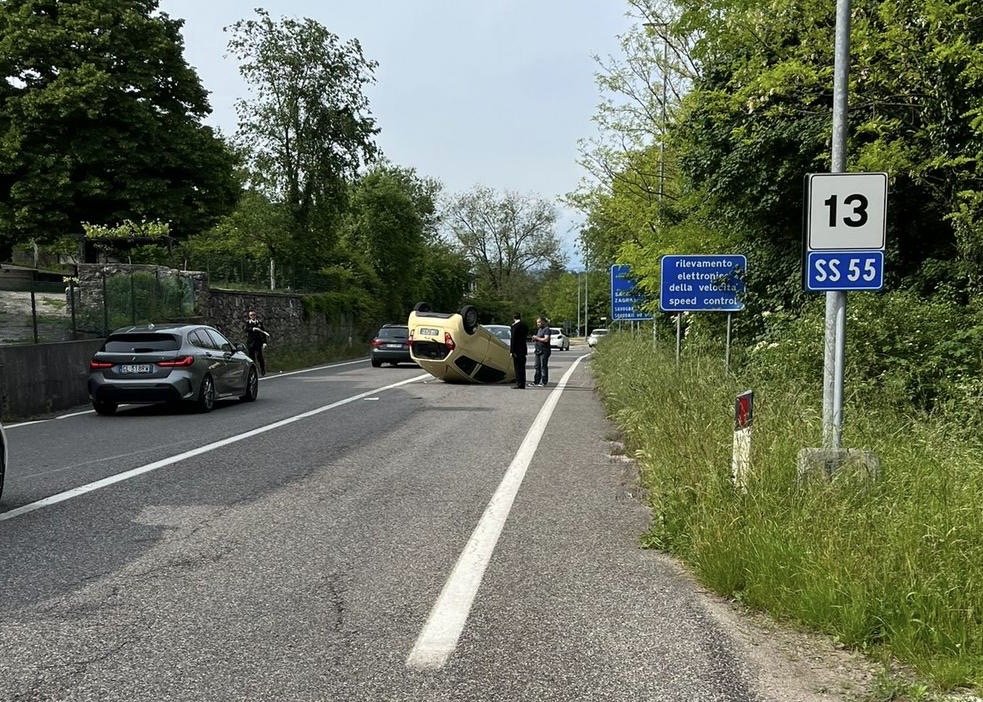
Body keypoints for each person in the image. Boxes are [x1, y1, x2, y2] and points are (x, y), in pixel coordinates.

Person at [245, 310, 269, 376]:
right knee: (252, 358)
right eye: (251, 315)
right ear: (249, 316)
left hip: (258, 343)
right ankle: (254, 372)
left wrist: (264, 342)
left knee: (259, 357)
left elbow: (263, 333)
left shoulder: (259, 323)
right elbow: (246, 329)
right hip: (250, 343)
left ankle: (262, 370)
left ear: (255, 315)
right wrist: (253, 329)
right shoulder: (248, 323)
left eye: (253, 315)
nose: (252, 316)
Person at [509, 311, 529, 389]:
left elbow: (513, 339)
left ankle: (519, 383)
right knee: (522, 367)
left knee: (517, 367)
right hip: (523, 348)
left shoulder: (515, 326)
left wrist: (511, 351)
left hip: (517, 350)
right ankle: (522, 383)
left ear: (514, 318)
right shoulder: (524, 325)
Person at [532, 316, 551, 387]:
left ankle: (543, 382)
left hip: (544, 350)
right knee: (537, 366)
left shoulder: (546, 329)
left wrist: (537, 338)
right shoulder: (539, 330)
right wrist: (535, 339)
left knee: (543, 366)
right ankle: (536, 381)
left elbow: (546, 339)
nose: (538, 324)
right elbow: (539, 338)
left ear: (543, 322)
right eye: (537, 322)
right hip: (538, 350)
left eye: (539, 322)